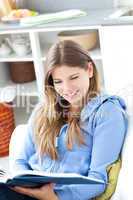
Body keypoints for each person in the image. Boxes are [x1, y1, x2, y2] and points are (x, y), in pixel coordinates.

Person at [0, 40, 128, 200]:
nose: (67, 89)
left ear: (89, 70)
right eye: (58, 81)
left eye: (73, 77)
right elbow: (20, 160)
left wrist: (55, 197)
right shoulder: (42, 110)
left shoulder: (107, 112)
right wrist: (24, 185)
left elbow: (97, 181)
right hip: (26, 193)